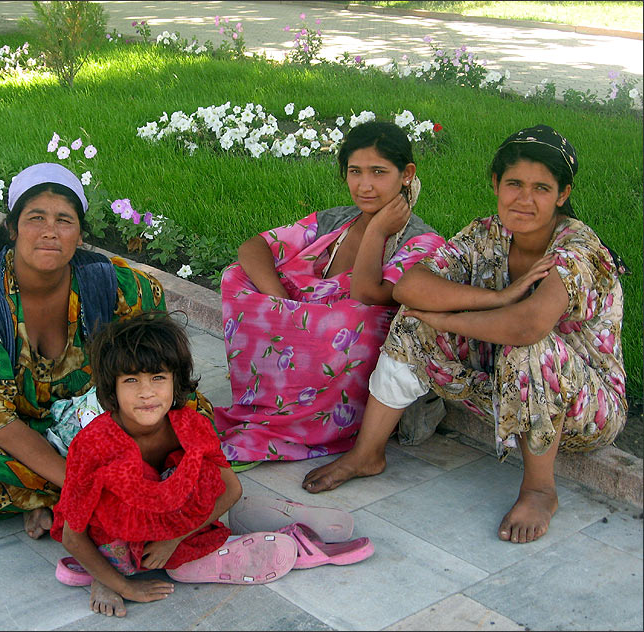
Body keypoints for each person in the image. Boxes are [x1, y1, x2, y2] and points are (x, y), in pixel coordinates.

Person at [303, 125, 629, 545]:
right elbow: (409, 286)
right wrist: (499, 298)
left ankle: (538, 489)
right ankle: (367, 454)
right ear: (496, 183)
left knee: (530, 345)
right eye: (513, 184)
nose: (524, 199)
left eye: (541, 189)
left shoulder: (579, 250)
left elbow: (529, 324)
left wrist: (451, 319)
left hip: (587, 409)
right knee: (412, 318)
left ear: (562, 195)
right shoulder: (486, 234)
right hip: (500, 379)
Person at [0, 162, 212, 540]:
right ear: (12, 228)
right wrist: (77, 481)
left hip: (98, 419)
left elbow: (160, 346)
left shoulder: (109, 282)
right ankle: (106, 490)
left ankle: (73, 498)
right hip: (21, 432)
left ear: (79, 235)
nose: (50, 232)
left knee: (193, 412)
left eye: (64, 220)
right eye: (35, 218)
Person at [213, 121, 446, 468]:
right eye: (355, 172)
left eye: (379, 172)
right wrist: (284, 304)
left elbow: (367, 295)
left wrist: (379, 230)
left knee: (347, 318)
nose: (364, 185)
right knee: (236, 276)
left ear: (406, 174)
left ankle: (314, 421)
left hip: (348, 339)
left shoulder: (422, 241)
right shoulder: (336, 220)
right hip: (302, 317)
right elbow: (254, 247)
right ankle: (270, 399)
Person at [51, 312, 301, 617]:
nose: (146, 393)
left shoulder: (191, 425)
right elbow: (72, 535)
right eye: (131, 380)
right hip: (113, 535)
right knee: (130, 474)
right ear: (111, 388)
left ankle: (182, 553)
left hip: (171, 529)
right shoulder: (93, 445)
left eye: (158, 378)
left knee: (196, 467)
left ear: (175, 381)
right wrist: (126, 588)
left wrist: (174, 539)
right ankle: (105, 575)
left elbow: (231, 489)